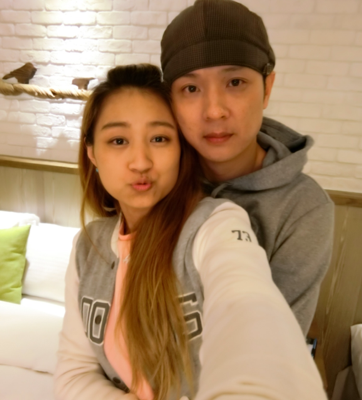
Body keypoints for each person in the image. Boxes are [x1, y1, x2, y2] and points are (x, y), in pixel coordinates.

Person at [54, 64, 326, 400]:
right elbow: (73, 374)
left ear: (181, 149)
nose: (140, 162)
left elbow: (247, 303)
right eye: (118, 140)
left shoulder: (215, 225)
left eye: (159, 138)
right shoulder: (88, 247)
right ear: (93, 153)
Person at [161, 0, 335, 335]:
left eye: (235, 83)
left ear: (267, 88)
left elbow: (275, 343)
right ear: (171, 101)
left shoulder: (303, 209)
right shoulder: (154, 180)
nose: (214, 111)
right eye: (191, 88)